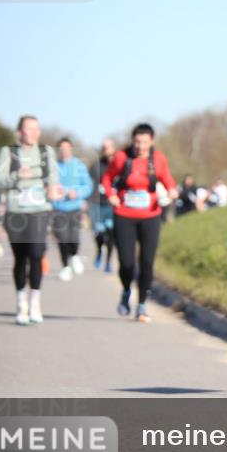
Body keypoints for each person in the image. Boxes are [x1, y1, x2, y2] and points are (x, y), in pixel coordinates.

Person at [101, 123, 177, 323]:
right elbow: (107, 179)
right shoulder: (121, 158)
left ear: (151, 141)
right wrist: (111, 196)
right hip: (124, 215)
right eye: (137, 142)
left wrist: (171, 191)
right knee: (127, 263)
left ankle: (142, 305)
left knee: (147, 263)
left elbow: (169, 181)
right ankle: (126, 290)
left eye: (144, 142)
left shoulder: (158, 159)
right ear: (132, 141)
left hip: (150, 216)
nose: (140, 146)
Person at [0, 116, 61, 325]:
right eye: (27, 129)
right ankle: (21, 302)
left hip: (40, 210)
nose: (32, 133)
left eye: (35, 129)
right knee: (21, 258)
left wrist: (53, 190)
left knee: (37, 254)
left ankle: (35, 302)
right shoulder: (9, 152)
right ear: (19, 132)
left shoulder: (45, 152)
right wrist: (16, 176)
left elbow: (53, 178)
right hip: (16, 211)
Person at [51, 138, 93, 282]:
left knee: (73, 237)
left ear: (71, 149)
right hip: (58, 208)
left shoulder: (79, 166)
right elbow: (47, 187)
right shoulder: (53, 167)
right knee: (62, 238)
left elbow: (88, 186)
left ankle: (74, 255)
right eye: (61, 149)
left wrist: (78, 193)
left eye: (67, 148)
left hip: (75, 207)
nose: (64, 151)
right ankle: (65, 268)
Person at [88, 139, 116, 272]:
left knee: (111, 235)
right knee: (99, 234)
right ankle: (99, 251)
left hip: (112, 206)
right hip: (97, 204)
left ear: (113, 148)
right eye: (104, 148)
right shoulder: (95, 165)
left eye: (109, 147)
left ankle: (108, 262)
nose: (106, 150)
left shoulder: (120, 165)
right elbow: (89, 184)